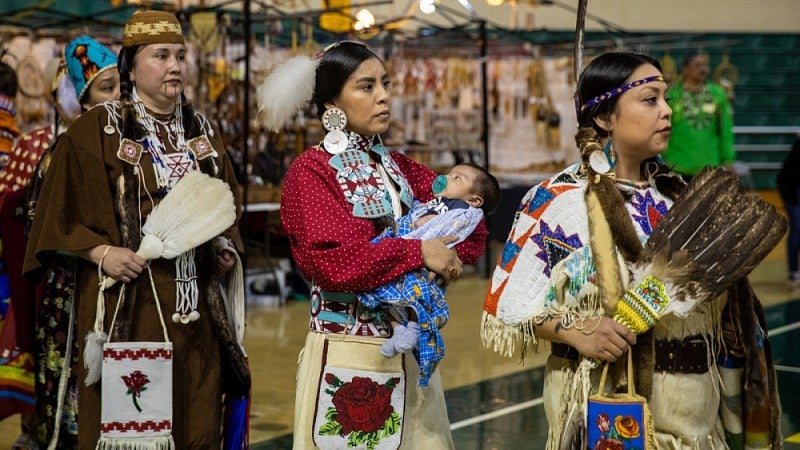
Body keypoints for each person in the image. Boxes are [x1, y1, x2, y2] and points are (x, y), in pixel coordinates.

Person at [482, 52, 781, 449]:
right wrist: (577, 331)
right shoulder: (560, 203)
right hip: (606, 412)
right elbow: (506, 305)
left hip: (695, 422)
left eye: (666, 99)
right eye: (650, 99)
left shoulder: (680, 200)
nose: (667, 112)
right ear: (605, 117)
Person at [23, 10, 246, 448]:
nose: (175, 66)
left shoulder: (201, 131)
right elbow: (58, 216)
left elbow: (227, 206)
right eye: (160, 55)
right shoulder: (99, 130)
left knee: (196, 418)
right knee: (133, 426)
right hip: (131, 303)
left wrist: (224, 247)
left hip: (197, 310)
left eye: (180, 55)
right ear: (131, 66)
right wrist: (101, 253)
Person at [257, 41, 487, 449]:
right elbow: (329, 263)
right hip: (350, 355)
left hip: (414, 356)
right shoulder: (312, 171)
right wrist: (418, 252)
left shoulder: (399, 167)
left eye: (384, 83)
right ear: (332, 102)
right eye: (366, 87)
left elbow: (469, 219)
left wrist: (446, 256)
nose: (383, 95)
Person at [0, 35, 121, 449]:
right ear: (81, 97)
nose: (118, 96)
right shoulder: (62, 149)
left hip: (115, 288)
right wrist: (97, 247)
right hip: (69, 292)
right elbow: (38, 219)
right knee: (72, 392)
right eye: (106, 88)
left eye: (121, 85)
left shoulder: (127, 147)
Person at [359, 162, 499, 387]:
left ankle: (413, 328)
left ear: (474, 200)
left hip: (425, 259)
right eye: (449, 173)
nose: (446, 178)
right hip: (405, 247)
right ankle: (398, 330)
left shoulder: (463, 210)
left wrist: (428, 226)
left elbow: (457, 230)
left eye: (457, 178)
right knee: (382, 294)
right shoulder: (436, 198)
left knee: (418, 297)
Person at [662, 50, 735, 180]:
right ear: (685, 70)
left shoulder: (718, 94)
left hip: (709, 166)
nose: (703, 70)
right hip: (677, 165)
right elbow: (663, 128)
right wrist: (663, 156)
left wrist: (728, 158)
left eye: (705, 65)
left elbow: (725, 129)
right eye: (697, 65)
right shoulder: (673, 95)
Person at [778, 135, 800, 284]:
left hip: (793, 193)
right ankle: (793, 270)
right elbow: (785, 178)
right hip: (793, 195)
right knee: (797, 229)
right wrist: (789, 198)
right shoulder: (796, 154)